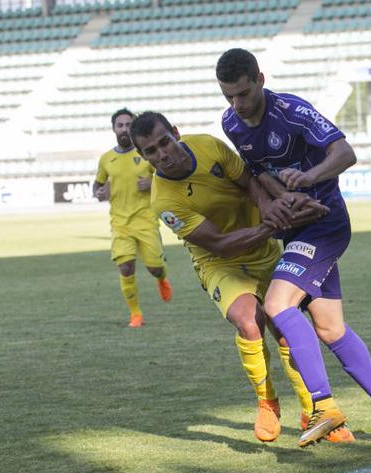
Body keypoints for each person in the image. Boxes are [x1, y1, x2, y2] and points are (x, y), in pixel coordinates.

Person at [216, 48, 371, 447]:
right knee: (329, 327)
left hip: (326, 222)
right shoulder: (231, 123)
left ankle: (322, 405)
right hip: (297, 228)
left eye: (243, 94)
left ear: (260, 80)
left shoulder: (292, 111)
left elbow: (345, 153)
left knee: (277, 305)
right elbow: (258, 172)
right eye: (228, 96)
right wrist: (280, 201)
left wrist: (308, 179)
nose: (237, 104)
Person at [129, 111, 354, 444]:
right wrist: (272, 225)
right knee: (249, 320)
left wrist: (270, 208)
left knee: (285, 329)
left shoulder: (208, 146)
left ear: (176, 133)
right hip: (219, 262)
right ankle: (267, 402)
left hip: (262, 249)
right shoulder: (164, 200)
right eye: (151, 151)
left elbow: (249, 182)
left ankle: (313, 412)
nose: (162, 154)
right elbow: (219, 244)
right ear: (143, 156)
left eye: (164, 142)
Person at [93, 108, 172, 328]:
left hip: (146, 220)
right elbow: (97, 184)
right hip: (120, 223)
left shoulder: (146, 153)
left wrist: (152, 183)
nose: (124, 129)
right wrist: (98, 192)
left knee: (154, 267)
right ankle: (136, 314)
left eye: (129, 125)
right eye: (120, 125)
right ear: (114, 129)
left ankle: (161, 278)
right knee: (126, 267)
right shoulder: (106, 159)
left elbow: (166, 177)